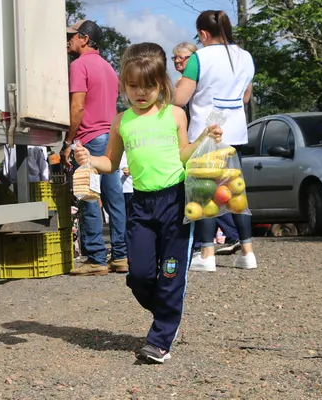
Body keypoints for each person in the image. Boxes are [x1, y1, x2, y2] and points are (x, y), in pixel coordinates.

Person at [73, 42, 223, 364]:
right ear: (124, 84)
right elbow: (111, 163)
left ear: (162, 84)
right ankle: (167, 310)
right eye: (133, 86)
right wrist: (89, 159)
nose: (140, 93)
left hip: (176, 204)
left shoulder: (175, 115)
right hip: (140, 206)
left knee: (171, 273)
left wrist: (204, 138)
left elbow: (183, 156)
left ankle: (160, 340)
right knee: (138, 274)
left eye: (148, 86)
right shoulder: (121, 121)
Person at [174, 10, 258, 272]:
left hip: (206, 134)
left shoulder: (199, 57)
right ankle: (247, 252)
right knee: (236, 193)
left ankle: (207, 254)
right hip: (236, 133)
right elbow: (245, 98)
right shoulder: (245, 57)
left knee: (205, 193)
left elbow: (180, 100)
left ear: (202, 34)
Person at [62, 19, 128, 275]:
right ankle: (121, 256)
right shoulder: (109, 68)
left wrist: (69, 141)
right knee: (115, 200)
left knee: (88, 197)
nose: (69, 40)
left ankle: (96, 258)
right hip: (110, 137)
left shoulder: (79, 65)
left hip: (89, 140)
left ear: (85, 39)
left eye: (73, 36)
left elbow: (77, 106)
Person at [172, 41, 242, 256]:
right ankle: (214, 239)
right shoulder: (183, 81)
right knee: (202, 191)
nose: (177, 61)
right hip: (193, 138)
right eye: (174, 57)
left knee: (205, 190)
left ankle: (227, 237)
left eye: (182, 57)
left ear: (193, 59)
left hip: (201, 138)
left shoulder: (193, 82)